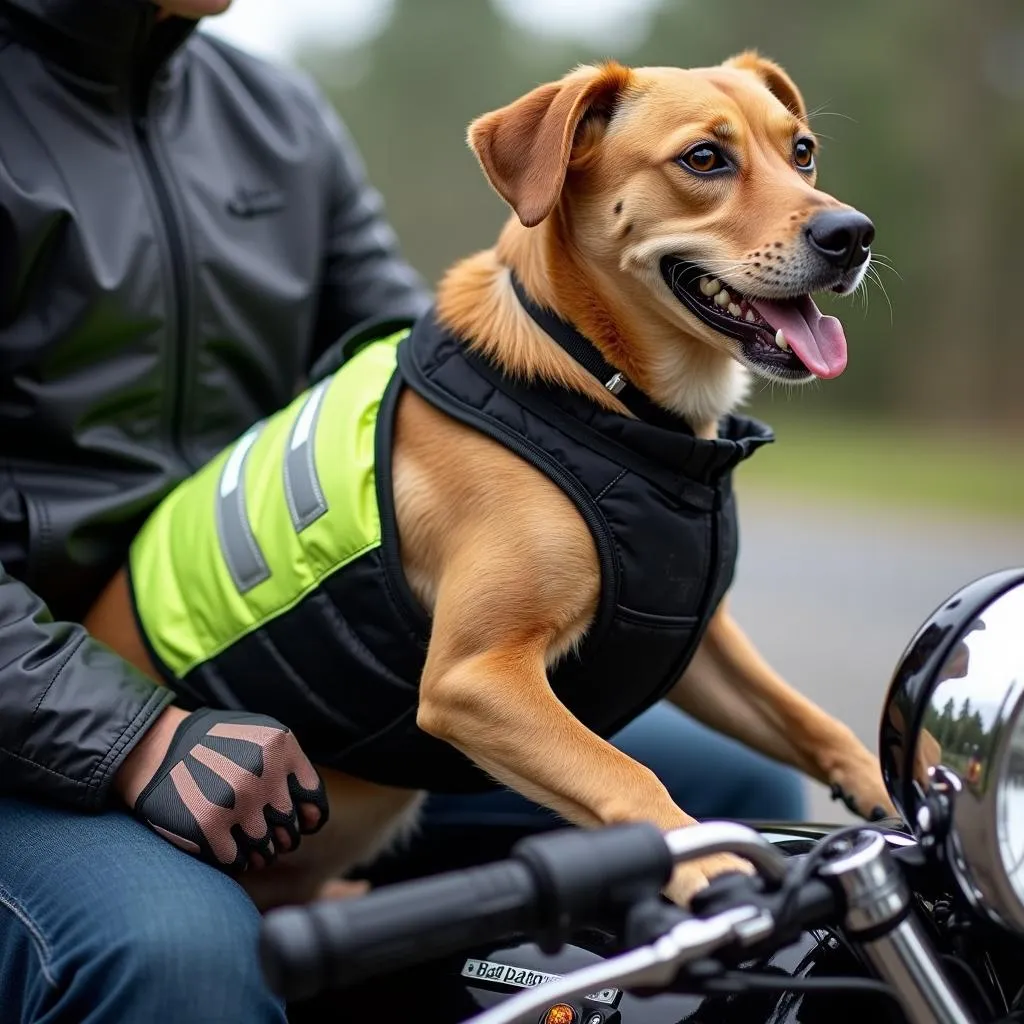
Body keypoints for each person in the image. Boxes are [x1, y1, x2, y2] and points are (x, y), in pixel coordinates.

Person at [0, 1, 805, 1020]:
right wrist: (132, 735)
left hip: (277, 655)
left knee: (742, 809)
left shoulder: (272, 115)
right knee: (180, 956)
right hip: (43, 732)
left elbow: (417, 363)